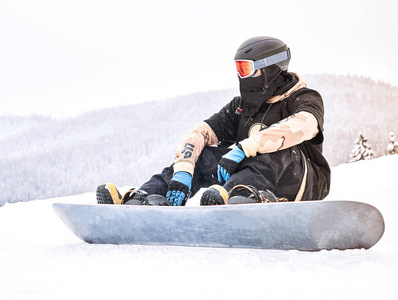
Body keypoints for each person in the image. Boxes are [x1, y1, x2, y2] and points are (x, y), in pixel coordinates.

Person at [96, 36, 330, 206]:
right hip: (250, 179)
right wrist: (184, 170)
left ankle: (235, 195)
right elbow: (200, 134)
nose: (240, 76)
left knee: (277, 149)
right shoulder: (241, 107)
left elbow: (304, 125)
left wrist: (244, 148)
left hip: (302, 181)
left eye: (246, 68)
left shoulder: (304, 97)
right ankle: (147, 196)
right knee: (205, 155)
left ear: (269, 69)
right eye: (238, 68)